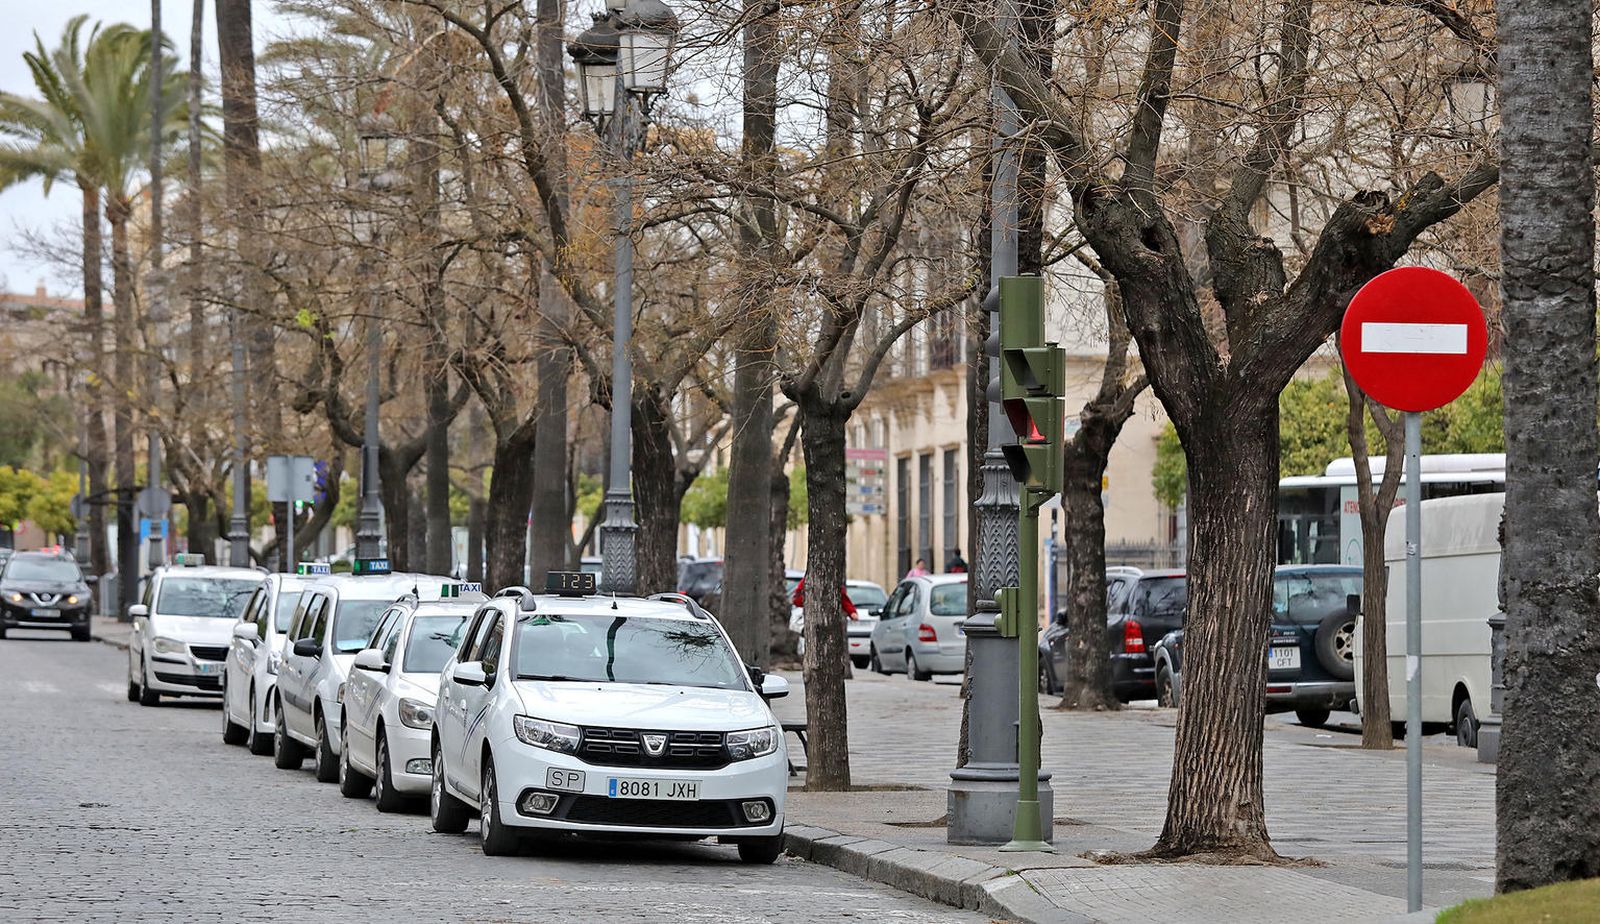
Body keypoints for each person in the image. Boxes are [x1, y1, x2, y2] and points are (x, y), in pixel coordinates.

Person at [792, 576, 857, 618]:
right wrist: (812, 602)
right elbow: (796, 599)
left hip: (830, 617)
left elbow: (843, 598)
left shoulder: (832, 580)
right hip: (812, 616)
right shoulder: (808, 580)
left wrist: (851, 612)